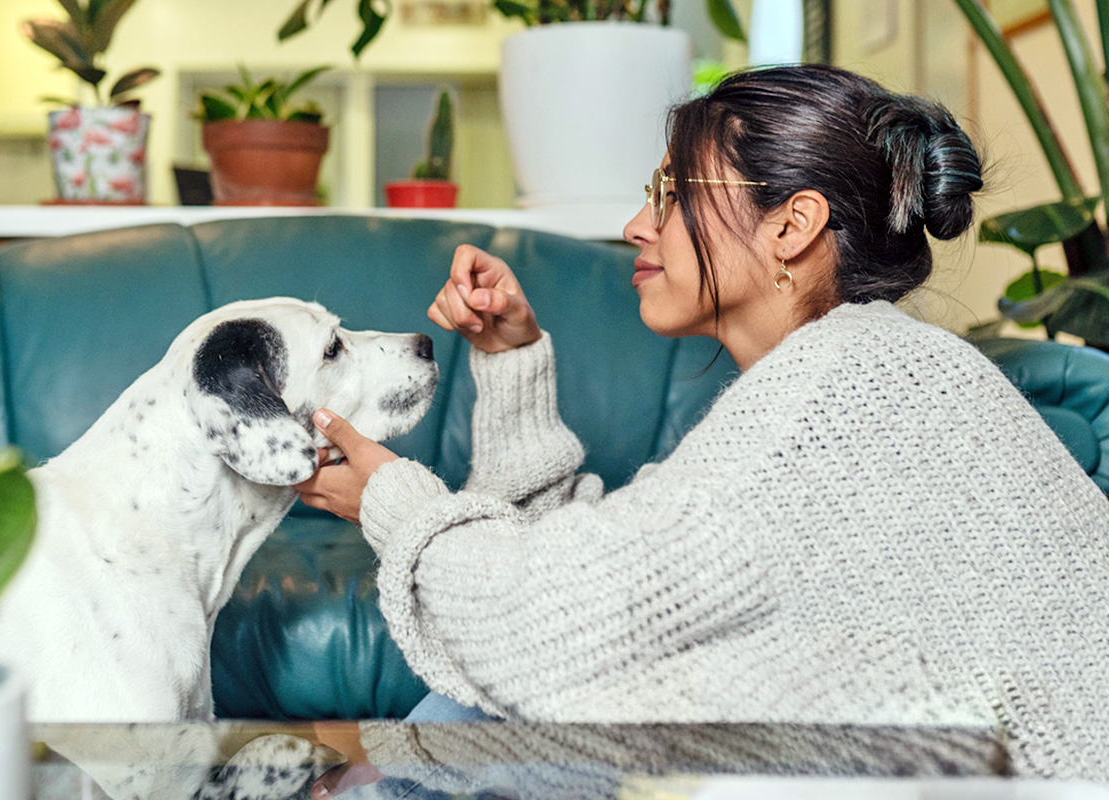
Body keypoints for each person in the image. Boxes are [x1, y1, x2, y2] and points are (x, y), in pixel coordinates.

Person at [295, 64, 1109, 780]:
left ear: (792, 226)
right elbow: (606, 598)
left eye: (674, 195)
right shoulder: (874, 368)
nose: (636, 226)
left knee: (480, 725)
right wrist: (513, 363)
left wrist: (386, 497)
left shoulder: (837, 395)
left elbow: (535, 626)